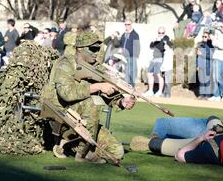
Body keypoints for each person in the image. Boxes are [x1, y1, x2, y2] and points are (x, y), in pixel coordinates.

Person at [41, 31, 136, 164]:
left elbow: (107, 92)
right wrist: (97, 87)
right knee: (90, 103)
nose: (97, 52)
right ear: (80, 49)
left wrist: (121, 101)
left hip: (86, 120)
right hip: (62, 114)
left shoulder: (95, 67)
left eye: (98, 49)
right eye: (93, 49)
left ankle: (71, 145)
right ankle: (81, 154)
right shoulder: (66, 63)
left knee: (117, 151)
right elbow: (66, 93)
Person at [130, 116, 223, 165]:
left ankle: (152, 142)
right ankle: (154, 140)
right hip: (214, 126)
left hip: (210, 139)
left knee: (159, 143)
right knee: (162, 124)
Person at [143, 27, 172, 97]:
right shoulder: (157, 39)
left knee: (159, 75)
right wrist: (154, 41)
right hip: (154, 59)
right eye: (159, 33)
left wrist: (160, 40)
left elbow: (164, 46)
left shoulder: (166, 38)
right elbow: (151, 46)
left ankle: (159, 91)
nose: (161, 34)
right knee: (149, 74)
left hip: (160, 59)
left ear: (165, 33)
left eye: (162, 33)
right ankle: (150, 91)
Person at [208, 23, 223, 102]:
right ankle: (216, 95)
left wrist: (214, 40)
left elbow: (221, 46)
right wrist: (215, 26)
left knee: (218, 77)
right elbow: (212, 29)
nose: (221, 27)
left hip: (222, 58)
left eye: (222, 26)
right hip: (216, 56)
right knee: (214, 77)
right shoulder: (220, 32)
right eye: (220, 26)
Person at [120, 19, 140, 87]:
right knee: (126, 71)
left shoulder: (135, 34)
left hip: (132, 56)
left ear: (131, 25)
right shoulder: (124, 34)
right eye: (126, 24)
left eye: (128, 24)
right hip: (124, 56)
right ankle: (126, 86)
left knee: (132, 71)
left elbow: (137, 45)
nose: (127, 26)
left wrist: (136, 55)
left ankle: (132, 85)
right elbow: (121, 44)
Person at [196, 30, 214, 100]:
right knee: (201, 81)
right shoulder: (200, 44)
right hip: (201, 66)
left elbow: (211, 56)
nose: (204, 38)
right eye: (203, 36)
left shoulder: (211, 45)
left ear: (209, 37)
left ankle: (207, 95)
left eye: (205, 36)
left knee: (207, 81)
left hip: (208, 66)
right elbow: (197, 56)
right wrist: (197, 65)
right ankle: (202, 94)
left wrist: (202, 54)